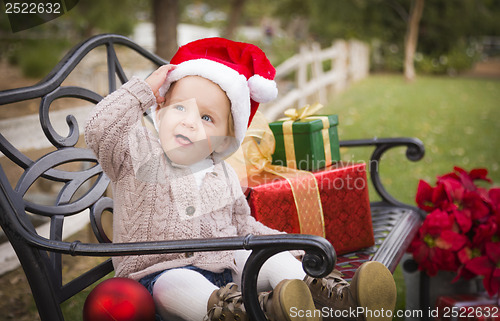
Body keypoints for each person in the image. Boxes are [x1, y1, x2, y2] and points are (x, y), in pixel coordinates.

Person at [85, 37, 396, 321]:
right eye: (181, 107)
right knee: (178, 281)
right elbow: (100, 127)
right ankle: (257, 311)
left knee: (271, 260)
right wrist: (142, 90)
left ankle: (339, 299)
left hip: (227, 268)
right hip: (157, 277)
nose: (190, 122)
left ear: (223, 140)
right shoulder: (137, 151)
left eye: (207, 118)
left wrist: (286, 245)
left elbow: (244, 226)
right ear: (161, 108)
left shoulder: (222, 173)